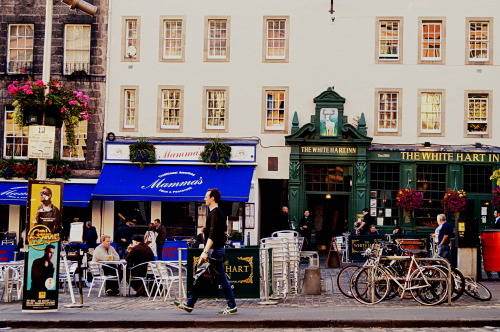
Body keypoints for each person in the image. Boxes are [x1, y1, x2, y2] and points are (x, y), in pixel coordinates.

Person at [173, 188, 237, 315]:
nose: (204, 198)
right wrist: (206, 230)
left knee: (212, 277)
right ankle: (190, 304)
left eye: (206, 196)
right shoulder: (216, 213)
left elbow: (213, 235)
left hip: (215, 251)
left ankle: (231, 305)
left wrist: (205, 251)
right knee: (203, 276)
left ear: (212, 198)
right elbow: (219, 231)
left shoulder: (215, 213)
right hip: (216, 250)